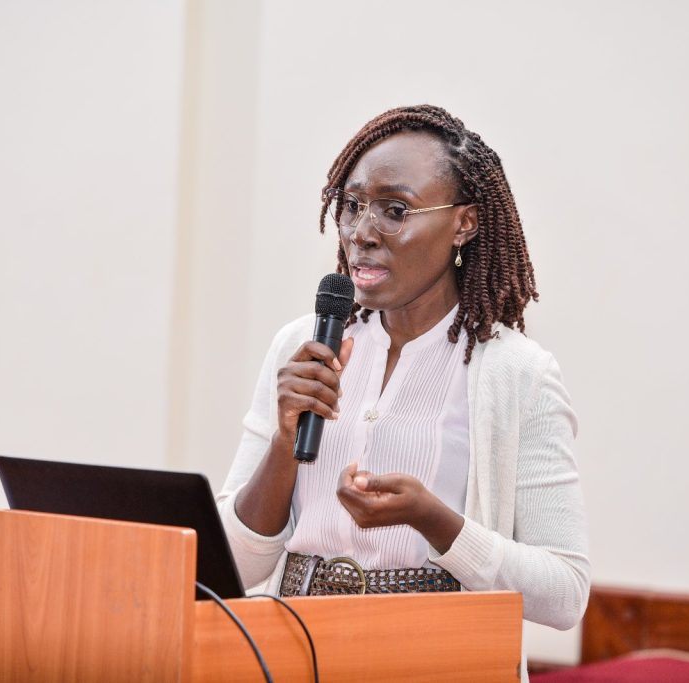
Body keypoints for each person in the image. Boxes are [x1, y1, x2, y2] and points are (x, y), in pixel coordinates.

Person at [216, 104, 589, 675]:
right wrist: (283, 442)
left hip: (435, 658)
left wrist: (433, 519)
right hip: (292, 652)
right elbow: (231, 570)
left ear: (464, 223)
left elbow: (564, 595)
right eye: (352, 205)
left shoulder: (517, 375)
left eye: (395, 210)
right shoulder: (300, 345)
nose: (361, 233)